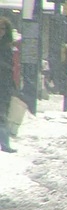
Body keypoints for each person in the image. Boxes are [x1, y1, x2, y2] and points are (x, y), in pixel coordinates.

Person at [0, 17, 17, 153]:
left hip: (3, 86)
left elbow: (10, 67)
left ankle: (4, 143)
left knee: (3, 115)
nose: (1, 31)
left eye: (3, 28)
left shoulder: (7, 47)